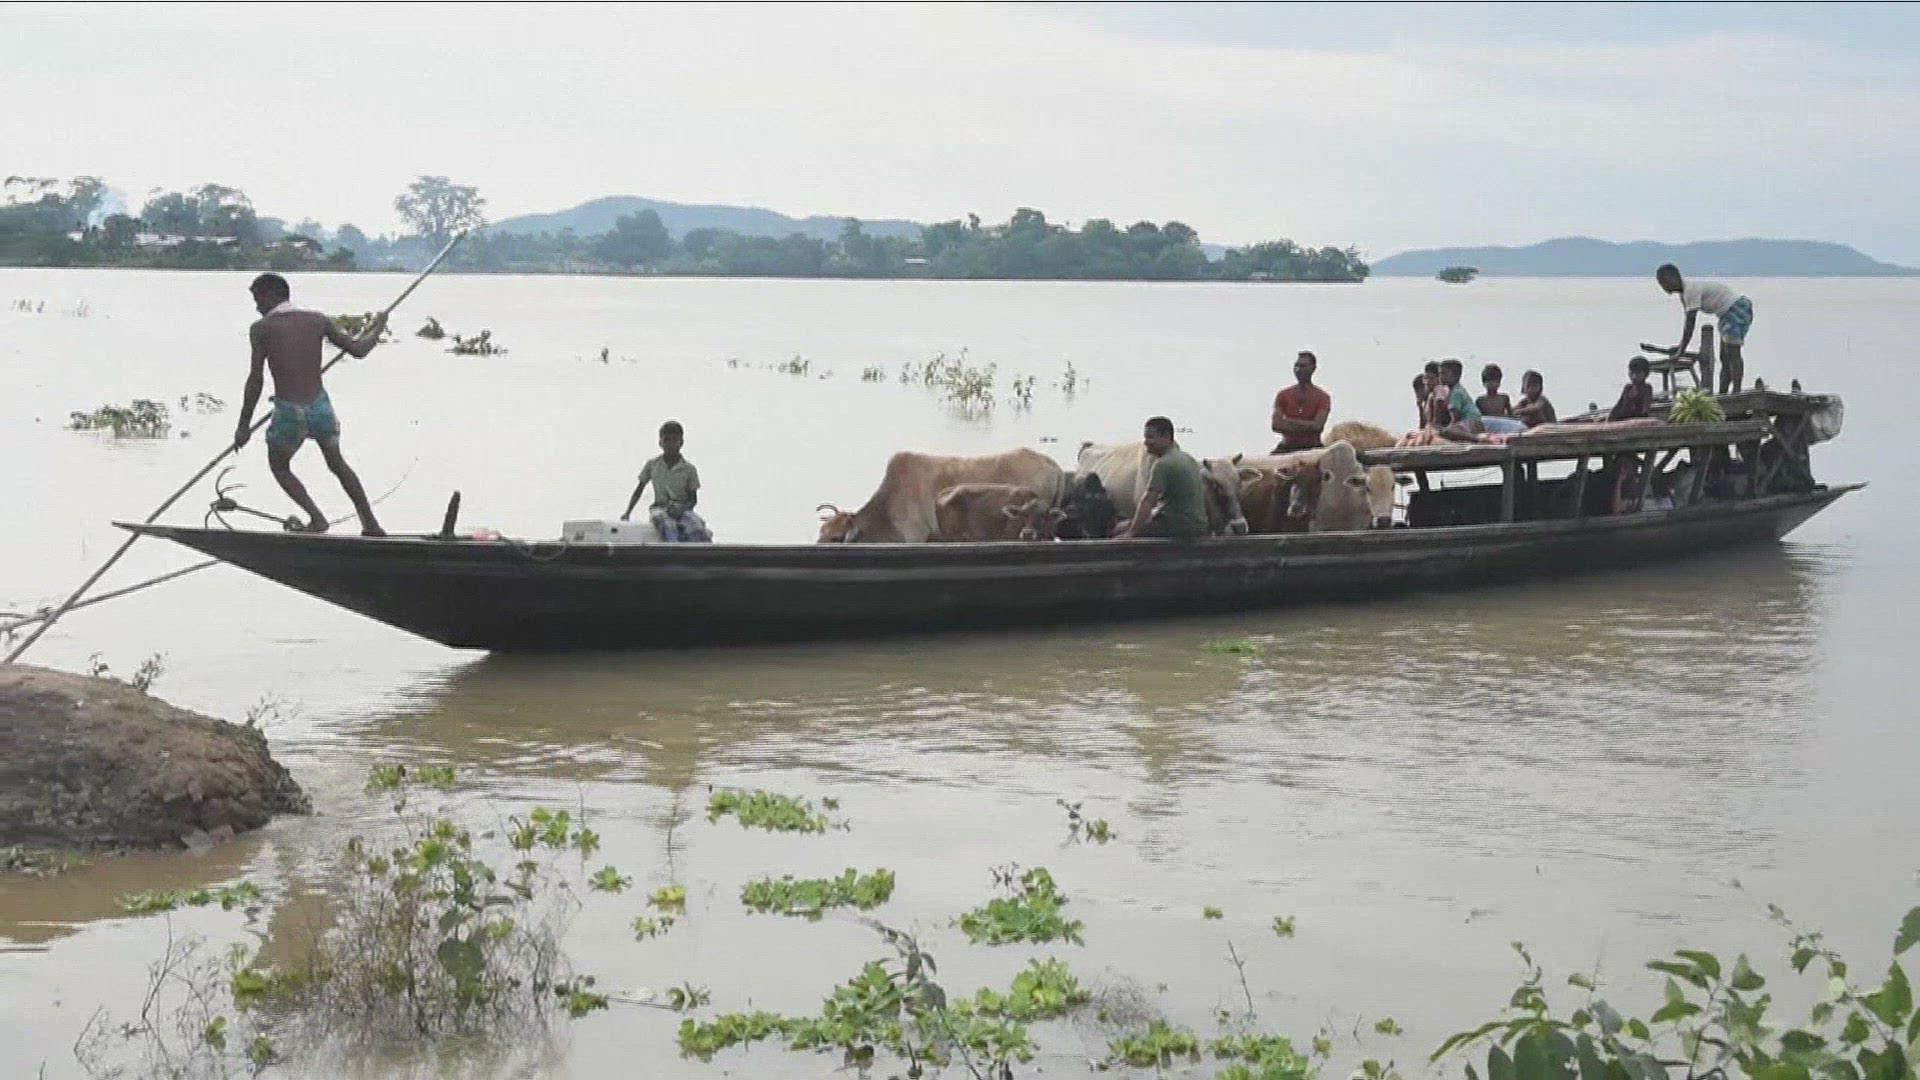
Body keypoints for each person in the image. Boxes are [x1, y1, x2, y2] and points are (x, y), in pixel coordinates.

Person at [232, 273, 387, 535]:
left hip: (289, 411)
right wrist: (378, 327)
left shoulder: (261, 329)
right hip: (320, 409)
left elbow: (255, 379)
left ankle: (317, 519)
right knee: (337, 464)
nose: (257, 307)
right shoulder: (318, 320)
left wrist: (243, 426)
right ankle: (370, 524)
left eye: (258, 299)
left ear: (272, 295)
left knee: (279, 466)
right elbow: (359, 350)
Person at [1657, 263, 1752, 395]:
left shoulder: (1690, 290)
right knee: (1724, 357)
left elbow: (1690, 324)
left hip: (1736, 308)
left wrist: (1680, 350)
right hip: (1724, 314)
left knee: (1733, 352)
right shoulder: (1684, 295)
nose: (1663, 287)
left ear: (1673, 278)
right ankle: (1723, 394)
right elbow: (1687, 320)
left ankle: (1736, 392)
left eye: (1663, 283)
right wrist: (1681, 347)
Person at [1116, 416, 1208, 539]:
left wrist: (1131, 533)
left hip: (1177, 526)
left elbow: (1147, 501)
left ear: (1166, 437)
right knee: (1125, 525)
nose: (1146, 442)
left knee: (1118, 531)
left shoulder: (1163, 464)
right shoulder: (1189, 459)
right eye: (1145, 437)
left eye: (1150, 437)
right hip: (1198, 525)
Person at [623, 419, 711, 542]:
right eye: (666, 440)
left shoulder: (689, 469)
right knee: (668, 526)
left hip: (682, 509)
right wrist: (628, 512)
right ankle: (673, 549)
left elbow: (693, 499)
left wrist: (681, 509)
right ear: (660, 443)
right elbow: (639, 489)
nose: (670, 444)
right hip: (659, 508)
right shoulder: (653, 465)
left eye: (674, 440)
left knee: (697, 527)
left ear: (681, 442)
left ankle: (703, 551)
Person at [1270, 350, 1331, 452]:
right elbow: (1276, 425)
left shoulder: (1322, 397)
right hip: (1286, 448)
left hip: (1313, 448)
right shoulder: (1283, 395)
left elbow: (1318, 426)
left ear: (1313, 368)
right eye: (1296, 366)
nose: (1298, 369)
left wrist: (1288, 422)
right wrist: (1308, 425)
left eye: (1303, 366)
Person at [1430, 359, 1484, 440]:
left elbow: (1455, 418)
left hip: (1471, 422)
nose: (1440, 377)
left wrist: (1448, 429)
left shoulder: (1456, 393)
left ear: (1456, 375)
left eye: (1443, 374)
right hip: (1472, 423)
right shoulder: (1454, 390)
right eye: (1440, 374)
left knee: (1444, 432)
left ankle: (1475, 438)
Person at [1476, 363, 1528, 435]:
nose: (1492, 384)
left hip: (1503, 426)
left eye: (1495, 381)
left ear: (1499, 382)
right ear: (1484, 383)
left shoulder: (1504, 398)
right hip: (1489, 427)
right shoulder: (1480, 400)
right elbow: (1478, 418)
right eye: (1489, 381)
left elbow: (1511, 415)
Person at [1608, 356, 1655, 420]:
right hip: (1623, 419)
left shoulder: (1646, 388)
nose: (1634, 376)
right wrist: (1609, 418)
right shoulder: (1628, 388)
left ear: (1646, 374)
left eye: (1638, 373)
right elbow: (1618, 406)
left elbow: (1645, 409)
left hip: (1637, 420)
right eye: (1632, 373)